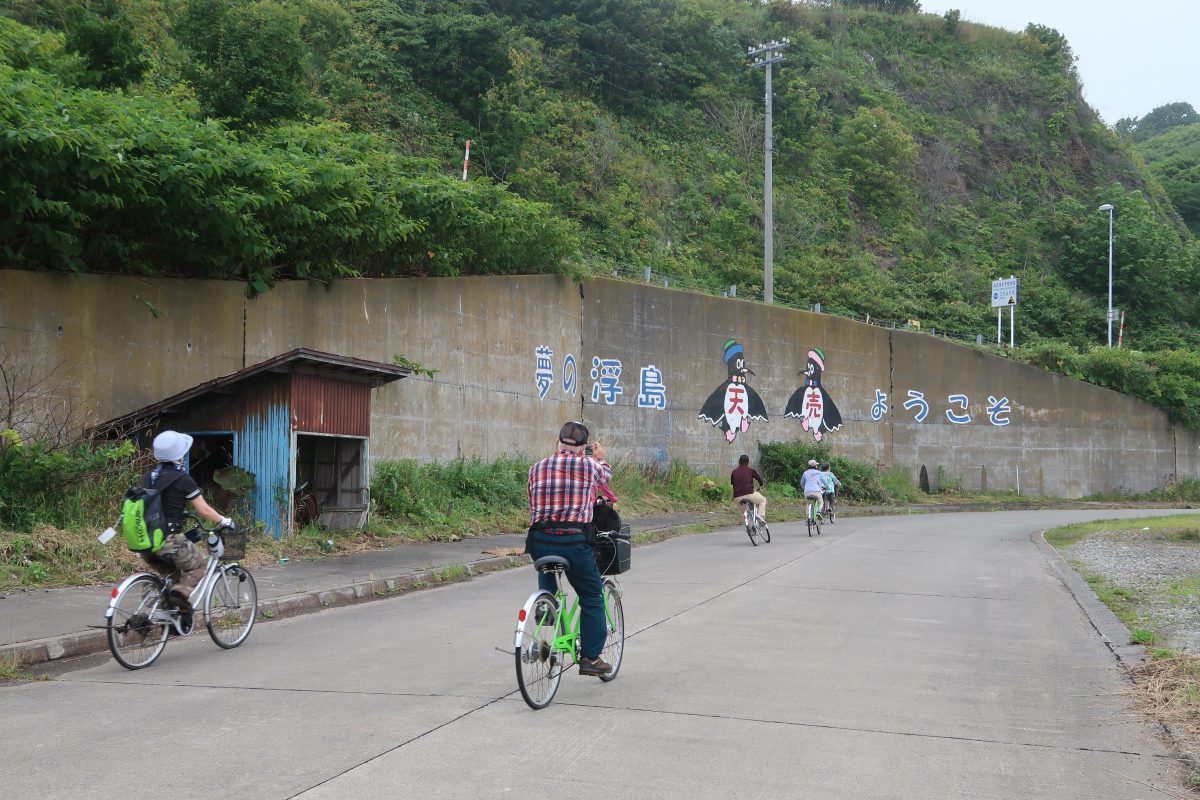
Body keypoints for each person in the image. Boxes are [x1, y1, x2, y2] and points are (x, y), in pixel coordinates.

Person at [526, 421, 614, 676]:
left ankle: (547, 603)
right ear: (583, 447)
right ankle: (590, 658)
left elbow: (532, 500)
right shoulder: (588, 466)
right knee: (591, 596)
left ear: (558, 442)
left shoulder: (536, 468)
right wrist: (600, 458)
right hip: (574, 543)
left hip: (540, 542)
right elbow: (605, 477)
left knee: (547, 556)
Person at [140, 430, 235, 613]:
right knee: (199, 566)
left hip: (146, 543)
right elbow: (204, 510)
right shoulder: (182, 479)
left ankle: (171, 617)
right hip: (169, 541)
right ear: (178, 455)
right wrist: (225, 520)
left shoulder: (148, 477)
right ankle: (179, 599)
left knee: (175, 577)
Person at [730, 454, 766, 524]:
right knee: (763, 500)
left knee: (745, 512)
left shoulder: (734, 472)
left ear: (739, 462)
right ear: (748, 462)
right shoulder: (750, 470)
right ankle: (761, 516)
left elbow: (733, 485)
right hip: (749, 493)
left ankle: (750, 527)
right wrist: (761, 485)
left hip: (737, 497)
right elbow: (758, 478)